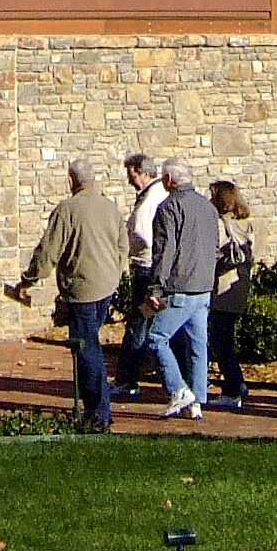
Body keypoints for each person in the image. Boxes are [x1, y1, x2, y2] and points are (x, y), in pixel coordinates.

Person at [10, 156, 127, 430]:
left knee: (87, 350)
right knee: (91, 345)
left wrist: (29, 280)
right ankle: (98, 407)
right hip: (105, 288)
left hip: (82, 289)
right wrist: (114, 274)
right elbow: (123, 247)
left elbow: (48, 251)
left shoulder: (67, 210)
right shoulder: (110, 208)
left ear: (71, 180)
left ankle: (98, 413)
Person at [139, 157, 219, 420]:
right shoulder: (208, 208)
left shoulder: (169, 207)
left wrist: (156, 287)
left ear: (169, 180)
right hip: (203, 287)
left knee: (156, 339)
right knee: (198, 345)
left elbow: (164, 251)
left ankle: (178, 390)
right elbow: (214, 248)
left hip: (180, 287)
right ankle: (197, 400)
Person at [115, 152, 166, 390]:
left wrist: (127, 248)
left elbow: (143, 235)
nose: (130, 180)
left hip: (146, 268)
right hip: (151, 267)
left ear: (144, 173)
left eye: (132, 175)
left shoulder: (151, 199)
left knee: (139, 325)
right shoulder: (154, 195)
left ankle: (127, 379)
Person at [207, 178, 257, 412]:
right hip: (240, 287)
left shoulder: (220, 224)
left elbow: (213, 255)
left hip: (223, 288)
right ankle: (237, 383)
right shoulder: (246, 222)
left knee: (221, 340)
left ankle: (233, 387)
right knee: (226, 338)